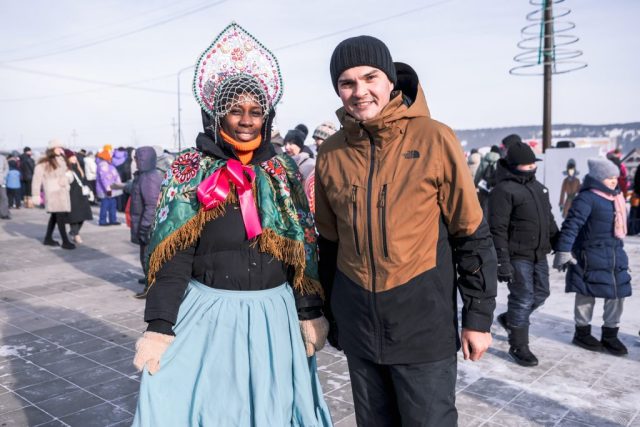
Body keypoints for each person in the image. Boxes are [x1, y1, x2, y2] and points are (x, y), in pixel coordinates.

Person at [132, 23, 332, 427]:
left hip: (274, 317)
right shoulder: (191, 169)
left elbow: (303, 248)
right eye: (235, 110)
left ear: (267, 117)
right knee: (213, 409)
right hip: (210, 317)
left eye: (255, 112)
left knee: (272, 409)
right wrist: (159, 326)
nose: (245, 120)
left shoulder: (282, 170)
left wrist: (309, 311)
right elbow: (172, 255)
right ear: (216, 113)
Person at [315, 35, 497, 426]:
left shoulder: (434, 138)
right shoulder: (331, 153)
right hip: (359, 327)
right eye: (347, 83)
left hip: (422, 326)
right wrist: (331, 314)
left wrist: (478, 317)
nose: (359, 91)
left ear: (390, 80)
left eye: (370, 78)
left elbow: (470, 233)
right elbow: (329, 244)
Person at [488, 141, 558, 367]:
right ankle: (518, 345)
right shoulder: (503, 190)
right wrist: (502, 261)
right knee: (523, 297)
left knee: (541, 294)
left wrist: (559, 241)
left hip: (539, 253)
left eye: (532, 164)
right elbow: (497, 229)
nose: (531, 168)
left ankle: (511, 319)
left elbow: (548, 219)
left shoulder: (539, 188)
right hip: (517, 254)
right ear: (514, 166)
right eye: (526, 165)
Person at [553, 158, 632, 356]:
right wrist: (564, 250)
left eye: (615, 177)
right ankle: (582, 332)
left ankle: (610, 335)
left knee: (617, 294)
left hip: (615, 254)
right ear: (597, 178)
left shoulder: (616, 197)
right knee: (586, 292)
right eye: (609, 178)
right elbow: (571, 225)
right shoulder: (586, 198)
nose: (613, 181)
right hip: (589, 255)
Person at [128, 146, 163, 298]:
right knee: (145, 255)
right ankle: (148, 278)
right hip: (143, 221)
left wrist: (145, 226)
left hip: (148, 225)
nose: (135, 161)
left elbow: (151, 204)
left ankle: (151, 287)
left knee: (147, 257)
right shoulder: (144, 175)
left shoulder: (149, 178)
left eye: (136, 158)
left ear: (143, 159)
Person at [31, 139, 75, 249]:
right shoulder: (43, 163)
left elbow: (68, 174)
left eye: (61, 147)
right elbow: (36, 180)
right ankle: (65, 241)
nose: (60, 149)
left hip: (63, 192)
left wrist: (67, 178)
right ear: (52, 148)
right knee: (60, 216)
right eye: (58, 147)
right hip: (53, 193)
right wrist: (36, 195)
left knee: (55, 216)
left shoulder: (62, 160)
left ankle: (48, 238)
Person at [64, 149, 93, 244]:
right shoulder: (66, 169)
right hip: (72, 195)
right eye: (71, 157)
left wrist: (89, 188)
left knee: (83, 216)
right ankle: (76, 234)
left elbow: (84, 180)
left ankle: (73, 232)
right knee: (74, 217)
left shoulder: (78, 167)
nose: (74, 158)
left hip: (82, 195)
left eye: (74, 156)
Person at [96, 144, 122, 226]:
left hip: (112, 188)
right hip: (106, 190)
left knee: (112, 205)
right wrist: (108, 190)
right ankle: (102, 221)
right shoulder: (103, 165)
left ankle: (113, 219)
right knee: (105, 205)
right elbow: (104, 179)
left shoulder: (109, 163)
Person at [0, 154, 9, 219]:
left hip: (1, 181)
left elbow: (6, 168)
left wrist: (3, 176)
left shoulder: (2, 157)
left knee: (4, 197)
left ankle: (4, 214)